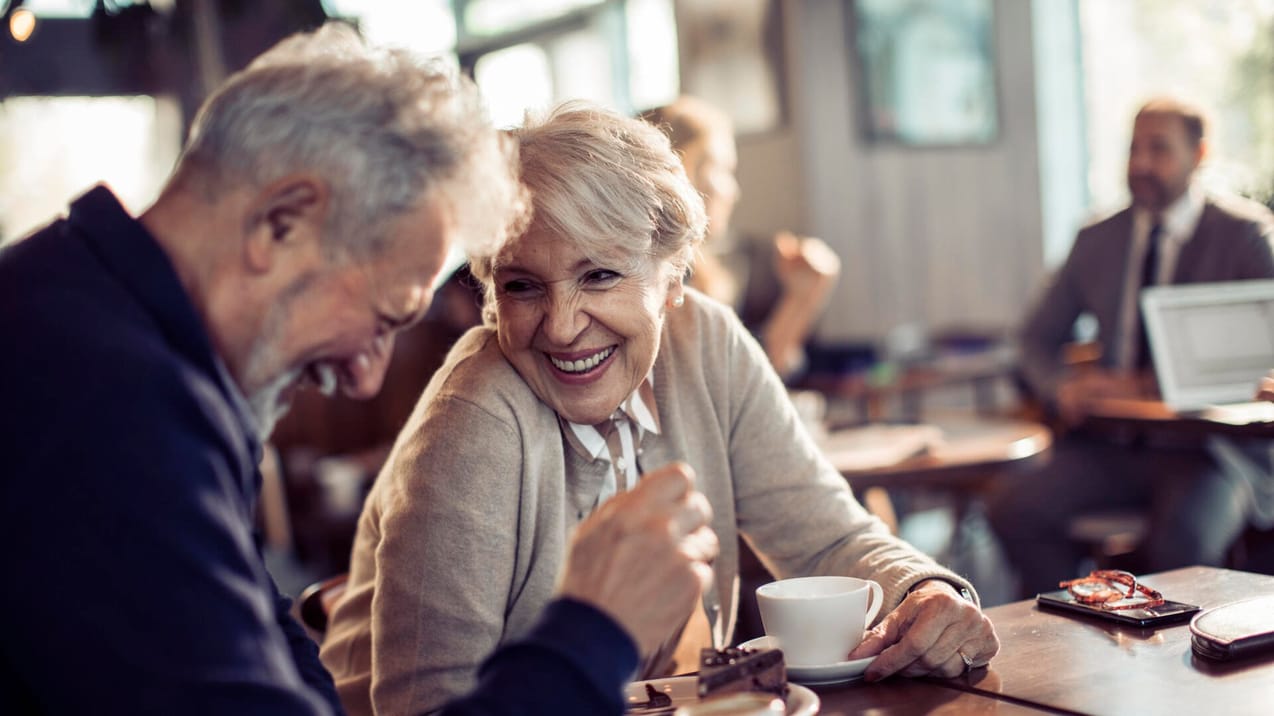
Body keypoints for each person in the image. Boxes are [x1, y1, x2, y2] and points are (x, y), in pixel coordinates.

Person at [0, 25, 717, 715]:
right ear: (282, 223)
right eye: (383, 317)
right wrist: (595, 628)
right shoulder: (104, 408)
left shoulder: (95, 320)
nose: (367, 379)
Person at [321, 101, 999, 715]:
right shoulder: (476, 415)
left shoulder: (707, 343)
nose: (559, 327)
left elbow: (826, 537)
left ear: (672, 278)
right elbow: (425, 706)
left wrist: (924, 592)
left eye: (600, 275)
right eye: (523, 286)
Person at [989, 96, 1274, 597]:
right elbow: (1034, 339)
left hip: (1210, 450)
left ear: (1199, 154)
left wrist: (1149, 384)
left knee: (1180, 546)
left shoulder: (1245, 236)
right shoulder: (1098, 238)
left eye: (1159, 149)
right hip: (1114, 444)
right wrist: (1060, 387)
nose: (1140, 164)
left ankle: (1182, 663)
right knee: (1015, 508)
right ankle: (1074, 629)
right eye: (1134, 148)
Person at [641, 96, 840, 379]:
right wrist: (801, 301)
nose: (733, 191)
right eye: (722, 170)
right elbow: (732, 389)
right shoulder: (658, 282)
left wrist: (802, 296)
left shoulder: (704, 271)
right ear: (682, 173)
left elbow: (749, 385)